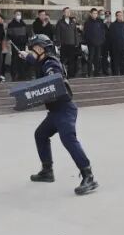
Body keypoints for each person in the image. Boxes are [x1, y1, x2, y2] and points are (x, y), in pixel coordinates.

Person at [19, 34, 98, 196]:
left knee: (68, 139)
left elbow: (54, 78)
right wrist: (27, 57)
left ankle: (88, 176)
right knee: (40, 134)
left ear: (40, 49)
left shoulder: (51, 63)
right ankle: (47, 171)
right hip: (55, 111)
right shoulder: (42, 61)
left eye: (32, 49)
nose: (31, 51)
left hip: (65, 109)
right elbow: (36, 62)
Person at [54, 8, 79, 79]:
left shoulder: (72, 22)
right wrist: (58, 44)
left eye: (69, 12)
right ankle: (63, 74)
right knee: (63, 60)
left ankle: (71, 74)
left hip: (72, 44)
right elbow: (58, 34)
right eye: (66, 12)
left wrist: (76, 42)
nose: (68, 13)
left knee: (72, 60)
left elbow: (75, 33)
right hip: (63, 44)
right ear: (63, 13)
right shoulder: (60, 22)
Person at [6, 11, 30, 80]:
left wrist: (27, 42)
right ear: (14, 15)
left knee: (22, 59)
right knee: (15, 59)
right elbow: (8, 34)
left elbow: (27, 34)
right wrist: (9, 39)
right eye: (17, 14)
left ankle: (22, 73)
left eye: (19, 14)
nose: (18, 15)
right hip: (15, 44)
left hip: (23, 44)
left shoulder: (23, 24)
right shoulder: (11, 24)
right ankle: (14, 74)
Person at [83, 8, 106, 77]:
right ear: (90, 14)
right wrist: (88, 41)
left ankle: (97, 72)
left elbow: (103, 32)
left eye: (96, 13)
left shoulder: (100, 21)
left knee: (98, 58)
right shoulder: (87, 22)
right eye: (94, 13)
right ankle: (89, 73)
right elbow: (85, 34)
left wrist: (102, 40)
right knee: (90, 58)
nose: (95, 15)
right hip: (91, 44)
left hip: (99, 43)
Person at [108, 11, 124, 76]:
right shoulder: (113, 25)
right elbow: (110, 36)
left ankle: (123, 74)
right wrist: (111, 47)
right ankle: (115, 74)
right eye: (119, 15)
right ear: (116, 16)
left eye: (121, 15)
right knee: (115, 62)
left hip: (123, 46)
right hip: (115, 47)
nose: (120, 16)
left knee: (123, 62)